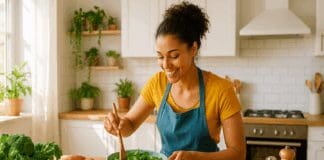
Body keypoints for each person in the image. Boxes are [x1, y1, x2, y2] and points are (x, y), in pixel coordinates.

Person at [104, 1, 246, 160]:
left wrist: (196, 157)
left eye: (174, 56)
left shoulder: (221, 89)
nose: (165, 65)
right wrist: (118, 125)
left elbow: (238, 153)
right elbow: (129, 124)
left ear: (193, 49)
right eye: (160, 56)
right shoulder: (157, 83)